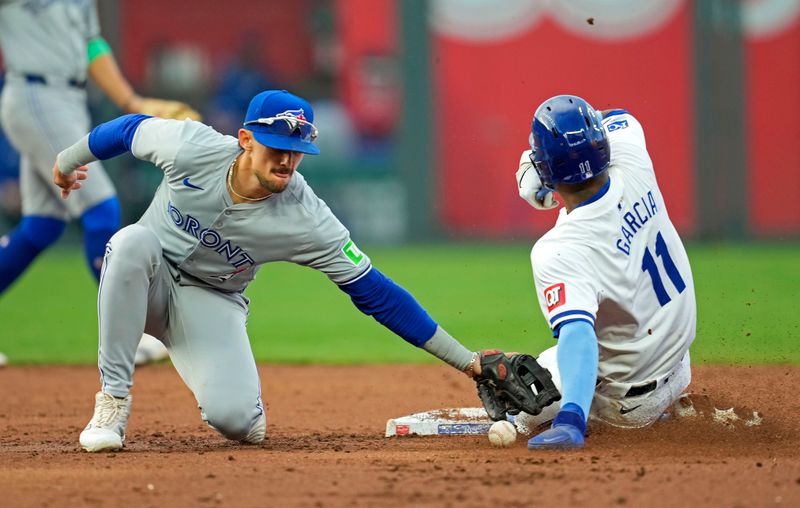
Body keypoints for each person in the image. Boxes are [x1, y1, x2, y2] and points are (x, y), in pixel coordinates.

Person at [52, 89, 537, 452]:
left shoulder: (307, 218)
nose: (286, 159)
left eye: (296, 148)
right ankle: (112, 403)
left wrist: (470, 361)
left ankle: (214, 379)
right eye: (273, 146)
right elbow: (126, 129)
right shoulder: (191, 147)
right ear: (245, 140)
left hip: (212, 302)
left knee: (241, 424)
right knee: (130, 242)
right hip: (151, 278)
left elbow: (376, 294)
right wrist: (68, 160)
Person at [0, 0, 201, 365]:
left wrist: (132, 100)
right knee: (101, 210)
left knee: (41, 227)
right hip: (33, 93)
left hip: (70, 100)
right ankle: (130, 333)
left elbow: (92, 44)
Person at [512, 95, 696, 449]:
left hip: (628, 406)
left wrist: (571, 420)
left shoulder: (560, 249)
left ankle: (543, 417)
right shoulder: (632, 156)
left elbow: (578, 337)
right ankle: (670, 402)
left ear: (545, 170)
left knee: (518, 393)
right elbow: (618, 116)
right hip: (678, 364)